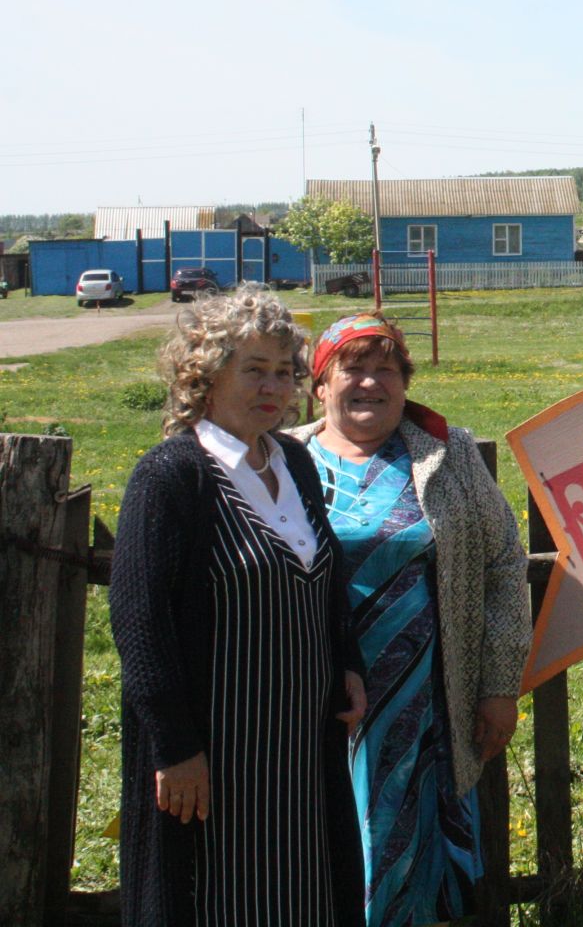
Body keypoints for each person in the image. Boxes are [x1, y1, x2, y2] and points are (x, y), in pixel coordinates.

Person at [110, 283, 366, 925]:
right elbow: (141, 622)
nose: (273, 386)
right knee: (216, 898)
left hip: (300, 754)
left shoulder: (296, 463)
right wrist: (174, 748)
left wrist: (348, 663)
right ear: (205, 372)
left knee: (305, 892)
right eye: (253, 369)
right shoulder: (172, 476)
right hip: (217, 759)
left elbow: (325, 578)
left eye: (284, 372)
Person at [292, 313, 532, 926]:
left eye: (386, 370)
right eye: (354, 370)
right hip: (310, 701)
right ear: (321, 385)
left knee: (417, 854)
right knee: (317, 841)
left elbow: (504, 567)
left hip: (428, 705)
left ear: (405, 382)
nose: (371, 383)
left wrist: (500, 687)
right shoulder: (283, 461)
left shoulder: (445, 456)